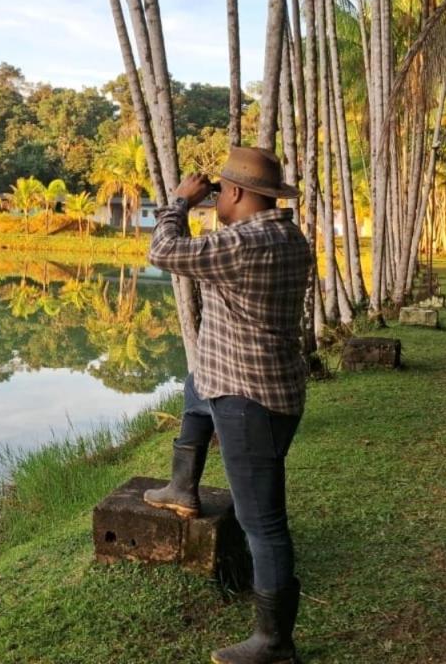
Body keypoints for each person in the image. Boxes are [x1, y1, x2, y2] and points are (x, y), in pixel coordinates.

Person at [144, 146, 312, 664]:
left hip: (247, 399)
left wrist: (180, 202)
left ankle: (274, 642)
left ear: (236, 193)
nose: (215, 200)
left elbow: (163, 252)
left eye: (219, 192)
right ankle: (182, 486)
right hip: (248, 379)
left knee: (263, 523)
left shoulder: (241, 243)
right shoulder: (289, 236)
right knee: (195, 390)